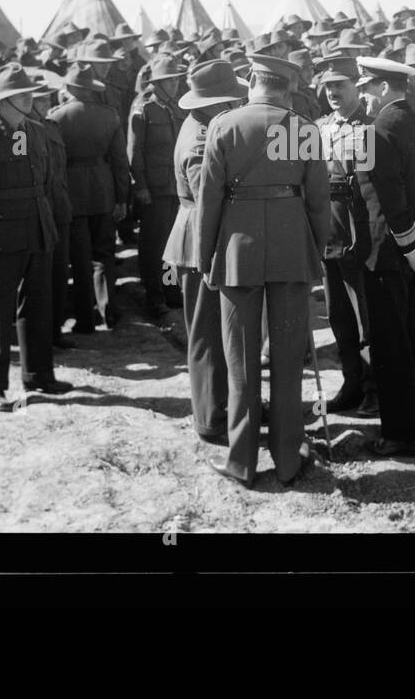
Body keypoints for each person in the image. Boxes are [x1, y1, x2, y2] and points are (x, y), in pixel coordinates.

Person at [196, 54, 329, 487]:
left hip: (237, 252)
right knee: (288, 359)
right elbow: (318, 201)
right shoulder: (303, 128)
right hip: (292, 248)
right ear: (287, 87)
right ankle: (289, 458)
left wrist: (204, 257)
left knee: (241, 361)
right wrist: (316, 250)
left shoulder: (224, 125)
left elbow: (209, 201)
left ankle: (242, 461)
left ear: (252, 80)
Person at [0, 63, 71, 411]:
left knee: (38, 304)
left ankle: (39, 375)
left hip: (37, 228)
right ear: (5, 100)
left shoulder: (37, 132)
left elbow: (48, 181)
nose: (31, 99)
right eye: (23, 95)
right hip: (0, 235)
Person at [354, 57, 415, 457]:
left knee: (391, 347)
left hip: (389, 255)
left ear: (381, 88)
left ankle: (401, 435)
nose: (362, 94)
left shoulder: (374, 133)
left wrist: (411, 250)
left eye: (365, 87)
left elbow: (392, 203)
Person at [164, 59, 248, 445]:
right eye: (229, 101)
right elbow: (206, 197)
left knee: (213, 330)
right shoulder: (200, 139)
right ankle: (211, 418)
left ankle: (218, 409)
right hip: (199, 237)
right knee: (207, 334)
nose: (234, 107)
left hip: (201, 234)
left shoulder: (202, 125)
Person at [315, 54, 379, 416]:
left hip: (359, 232)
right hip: (329, 232)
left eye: (340, 85)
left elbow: (374, 191)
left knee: (365, 316)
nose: (334, 92)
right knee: (338, 316)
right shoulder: (319, 128)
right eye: (328, 87)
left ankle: (375, 388)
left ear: (357, 86)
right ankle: (351, 383)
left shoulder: (370, 128)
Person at [49, 61, 129, 332]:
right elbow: (120, 162)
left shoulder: (55, 118)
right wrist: (121, 198)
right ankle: (110, 312)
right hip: (103, 189)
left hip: (72, 192)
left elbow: (53, 164)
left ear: (69, 88)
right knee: (104, 254)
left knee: (80, 257)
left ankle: (85, 319)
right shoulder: (110, 115)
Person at [129, 54, 188, 318]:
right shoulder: (144, 111)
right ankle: (154, 296)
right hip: (154, 189)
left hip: (175, 188)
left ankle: (171, 290)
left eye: (176, 79)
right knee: (154, 247)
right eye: (169, 80)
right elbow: (135, 153)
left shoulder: (176, 108)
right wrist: (141, 186)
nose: (175, 84)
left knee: (172, 245)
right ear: (156, 84)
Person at [28, 68, 74, 348]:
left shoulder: (52, 126)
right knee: (39, 279)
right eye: (39, 99)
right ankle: (41, 336)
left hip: (59, 208)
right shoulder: (22, 133)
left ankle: (56, 332)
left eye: (47, 98)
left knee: (59, 274)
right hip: (38, 212)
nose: (46, 103)